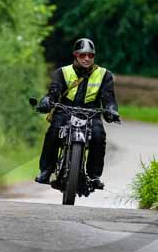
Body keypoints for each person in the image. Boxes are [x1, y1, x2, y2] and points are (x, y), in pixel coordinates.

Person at [34, 38, 119, 189]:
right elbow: (53, 93)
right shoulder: (62, 72)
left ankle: (94, 176)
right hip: (65, 111)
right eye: (82, 55)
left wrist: (112, 110)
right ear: (75, 55)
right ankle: (46, 170)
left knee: (99, 136)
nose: (87, 58)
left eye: (90, 55)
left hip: (91, 114)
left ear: (94, 56)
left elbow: (109, 98)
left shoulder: (105, 75)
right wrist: (46, 101)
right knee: (53, 132)